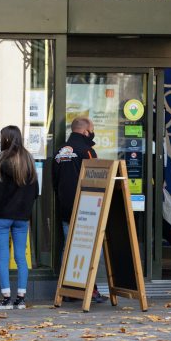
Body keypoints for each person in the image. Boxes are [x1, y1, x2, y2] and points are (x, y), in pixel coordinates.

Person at [0, 125, 38, 310]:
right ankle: (21, 298)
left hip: (1, 215)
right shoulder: (29, 160)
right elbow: (35, 191)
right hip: (22, 217)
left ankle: (6, 298)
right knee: (21, 257)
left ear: (4, 139)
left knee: (3, 257)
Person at [52, 116, 106, 304]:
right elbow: (98, 181)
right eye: (92, 129)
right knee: (89, 248)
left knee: (68, 248)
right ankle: (90, 290)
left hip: (65, 208)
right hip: (86, 209)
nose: (92, 132)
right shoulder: (87, 151)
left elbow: (54, 182)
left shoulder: (59, 152)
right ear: (85, 131)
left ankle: (66, 290)